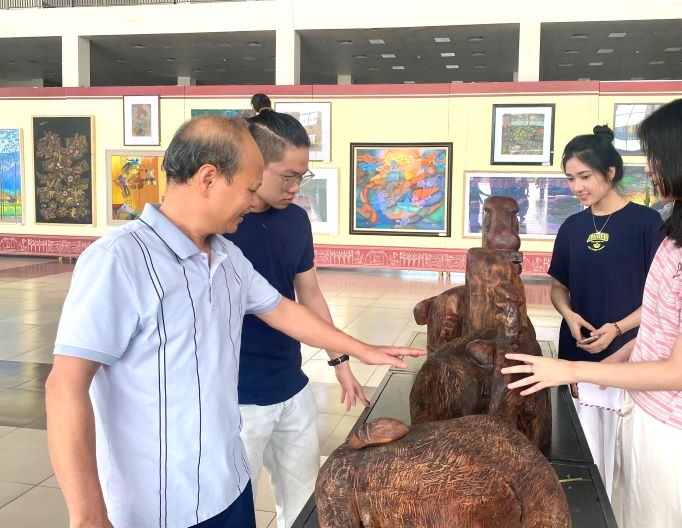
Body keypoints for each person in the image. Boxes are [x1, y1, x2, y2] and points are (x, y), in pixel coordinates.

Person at [45, 115, 424, 528]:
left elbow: (281, 309)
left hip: (228, 486)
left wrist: (359, 349)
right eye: (248, 188)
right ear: (208, 178)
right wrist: (87, 516)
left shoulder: (227, 257)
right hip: (155, 504)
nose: (251, 200)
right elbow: (65, 385)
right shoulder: (118, 260)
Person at [503, 93, 682, 528]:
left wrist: (572, 371)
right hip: (646, 408)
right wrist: (611, 359)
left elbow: (681, 372)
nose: (649, 168)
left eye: (657, 156)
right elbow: (662, 324)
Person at [225, 109, 369, 528]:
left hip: (290, 385)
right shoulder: (222, 227)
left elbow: (308, 295)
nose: (294, 187)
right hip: (236, 397)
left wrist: (341, 363)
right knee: (233, 507)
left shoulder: (295, 219)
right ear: (253, 164)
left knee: (306, 502)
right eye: (286, 176)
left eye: (301, 177)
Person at [547, 124, 663, 492]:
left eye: (585, 176)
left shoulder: (647, 223)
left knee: (621, 445)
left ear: (610, 173)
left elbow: (662, 299)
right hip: (576, 348)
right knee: (580, 442)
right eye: (570, 179)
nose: (578, 186)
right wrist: (568, 314)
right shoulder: (572, 226)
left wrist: (617, 327)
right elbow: (557, 287)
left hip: (627, 350)